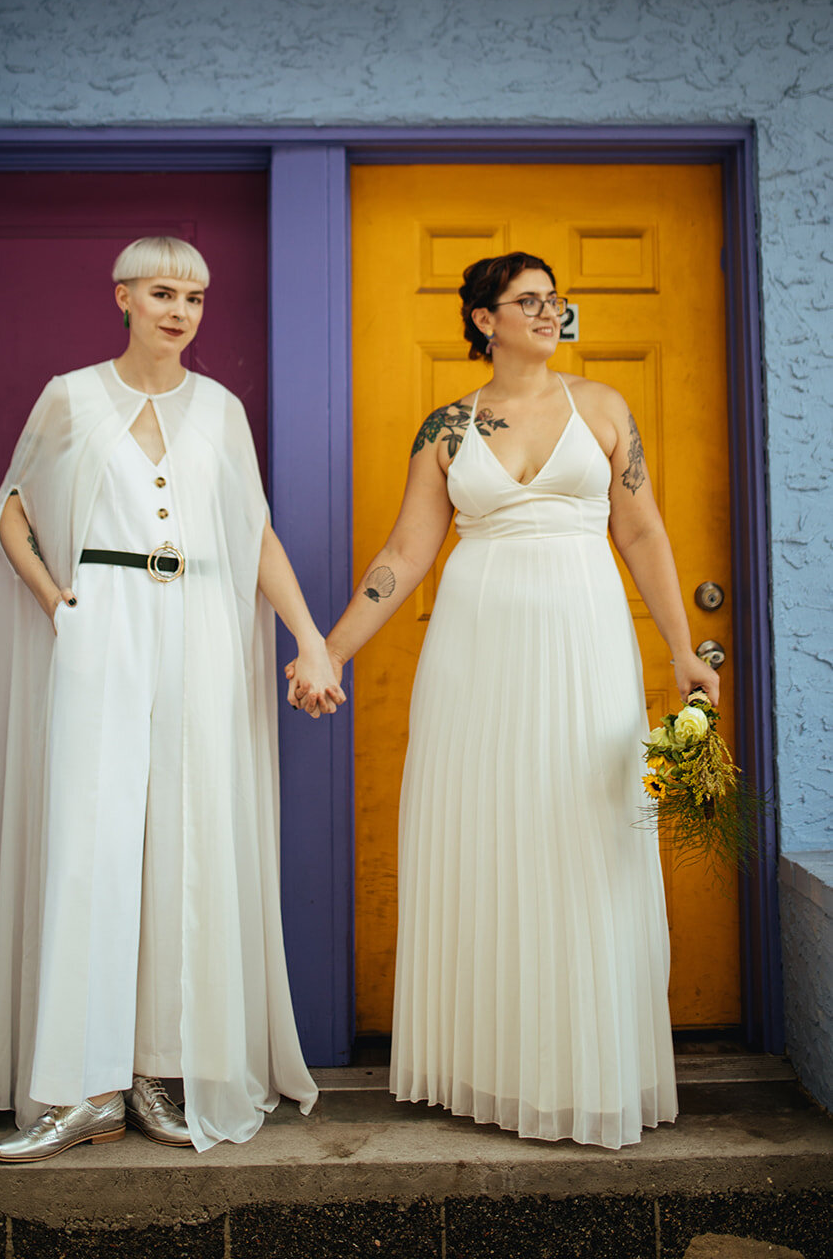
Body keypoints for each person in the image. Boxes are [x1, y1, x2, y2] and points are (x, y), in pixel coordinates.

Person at [293, 251, 718, 1149]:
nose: (546, 311)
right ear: (483, 319)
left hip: (583, 644)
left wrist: (681, 649)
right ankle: (489, 1068)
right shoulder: (446, 428)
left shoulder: (601, 409)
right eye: (526, 300)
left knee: (586, 833)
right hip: (474, 653)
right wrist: (326, 651)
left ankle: (587, 1069)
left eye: (553, 299)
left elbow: (640, 529)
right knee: (487, 834)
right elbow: (405, 555)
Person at [0, 235, 343, 1161]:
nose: (180, 311)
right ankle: (79, 1089)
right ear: (122, 296)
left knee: (185, 842)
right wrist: (57, 602)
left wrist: (309, 637)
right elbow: (11, 504)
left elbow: (255, 535)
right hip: (103, 623)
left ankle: (160, 1074)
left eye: (197, 297)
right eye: (163, 292)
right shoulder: (71, 395)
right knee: (90, 842)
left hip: (204, 629)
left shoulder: (220, 409)